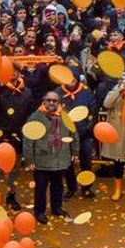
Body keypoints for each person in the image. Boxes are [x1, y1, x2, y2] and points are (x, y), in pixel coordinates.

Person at [21, 89, 72, 223]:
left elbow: (73, 133)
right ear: (44, 101)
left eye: (54, 100)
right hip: (41, 160)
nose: (51, 103)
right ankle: (39, 212)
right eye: (48, 100)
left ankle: (56, 208)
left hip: (59, 159)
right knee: (41, 187)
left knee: (58, 185)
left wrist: (75, 152)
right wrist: (30, 159)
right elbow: (28, 140)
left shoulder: (64, 116)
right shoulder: (35, 117)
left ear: (58, 102)